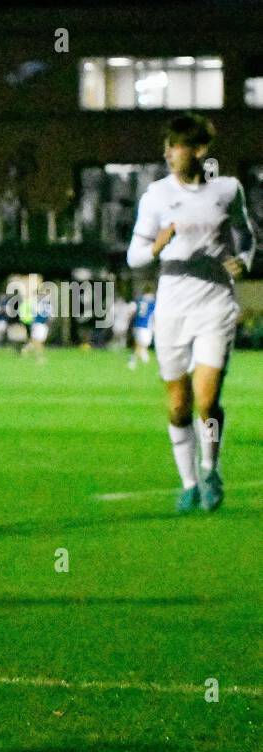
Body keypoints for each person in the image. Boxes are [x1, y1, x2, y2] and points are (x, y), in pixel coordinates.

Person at [127, 113, 255, 513]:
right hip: (172, 311)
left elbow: (247, 234)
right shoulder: (156, 197)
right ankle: (188, 483)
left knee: (207, 399)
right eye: (166, 145)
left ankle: (209, 468)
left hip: (215, 305)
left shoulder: (228, 190)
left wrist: (246, 260)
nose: (168, 152)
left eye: (176, 145)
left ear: (199, 151)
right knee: (179, 406)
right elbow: (134, 256)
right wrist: (155, 247)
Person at [130, 286, 156, 369]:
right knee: (142, 344)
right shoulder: (152, 302)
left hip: (137, 324)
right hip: (146, 325)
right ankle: (133, 360)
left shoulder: (139, 300)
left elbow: (132, 310)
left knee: (140, 343)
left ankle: (143, 358)